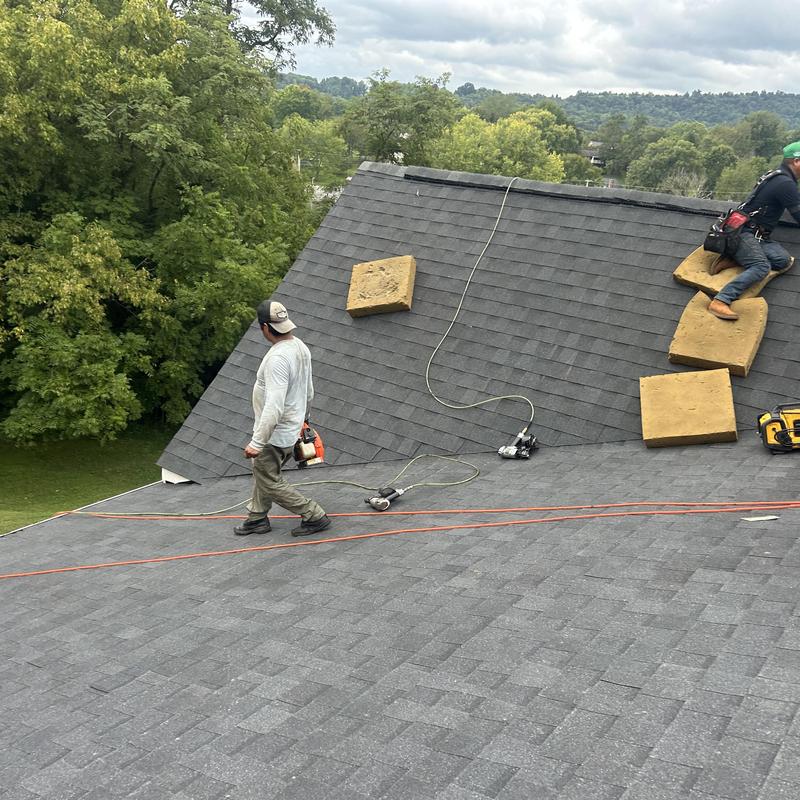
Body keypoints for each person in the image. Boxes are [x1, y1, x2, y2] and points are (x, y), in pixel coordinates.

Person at [234, 300, 331, 537]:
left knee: (269, 479)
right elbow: (308, 391)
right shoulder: (299, 347)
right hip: (291, 428)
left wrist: (257, 442)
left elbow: (274, 406)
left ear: (265, 328)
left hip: (275, 433)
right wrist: (303, 421)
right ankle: (257, 518)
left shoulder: (277, 359)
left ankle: (314, 514)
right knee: (264, 473)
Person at [707, 142, 800, 320]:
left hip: (748, 231)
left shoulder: (775, 176)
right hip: (743, 233)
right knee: (761, 267)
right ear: (796, 161)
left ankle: (733, 257)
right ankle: (721, 300)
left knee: (782, 260)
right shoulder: (785, 184)